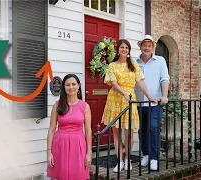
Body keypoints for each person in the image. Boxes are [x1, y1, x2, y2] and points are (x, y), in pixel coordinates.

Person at [101, 39, 156, 173]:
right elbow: (113, 83)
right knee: (116, 132)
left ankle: (127, 159)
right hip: (115, 99)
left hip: (129, 99)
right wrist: (124, 93)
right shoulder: (112, 65)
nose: (124, 49)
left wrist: (149, 96)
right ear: (118, 49)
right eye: (122, 47)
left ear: (129, 50)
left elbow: (141, 82)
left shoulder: (134, 65)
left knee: (129, 132)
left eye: (126, 47)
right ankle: (119, 161)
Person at [47, 74, 92, 180]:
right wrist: (49, 152)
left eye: (73, 84)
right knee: (61, 175)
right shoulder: (57, 106)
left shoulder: (85, 106)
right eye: (67, 85)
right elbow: (52, 129)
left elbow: (88, 130)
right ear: (64, 87)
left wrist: (89, 153)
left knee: (78, 174)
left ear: (79, 86)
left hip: (78, 144)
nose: (71, 87)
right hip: (60, 144)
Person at [135, 35, 170, 171]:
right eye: (144, 45)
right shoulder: (135, 62)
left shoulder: (160, 61)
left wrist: (165, 95)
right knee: (142, 130)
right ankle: (146, 154)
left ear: (153, 48)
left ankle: (154, 158)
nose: (147, 48)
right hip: (138, 103)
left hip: (155, 102)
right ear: (141, 47)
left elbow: (164, 79)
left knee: (154, 128)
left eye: (149, 46)